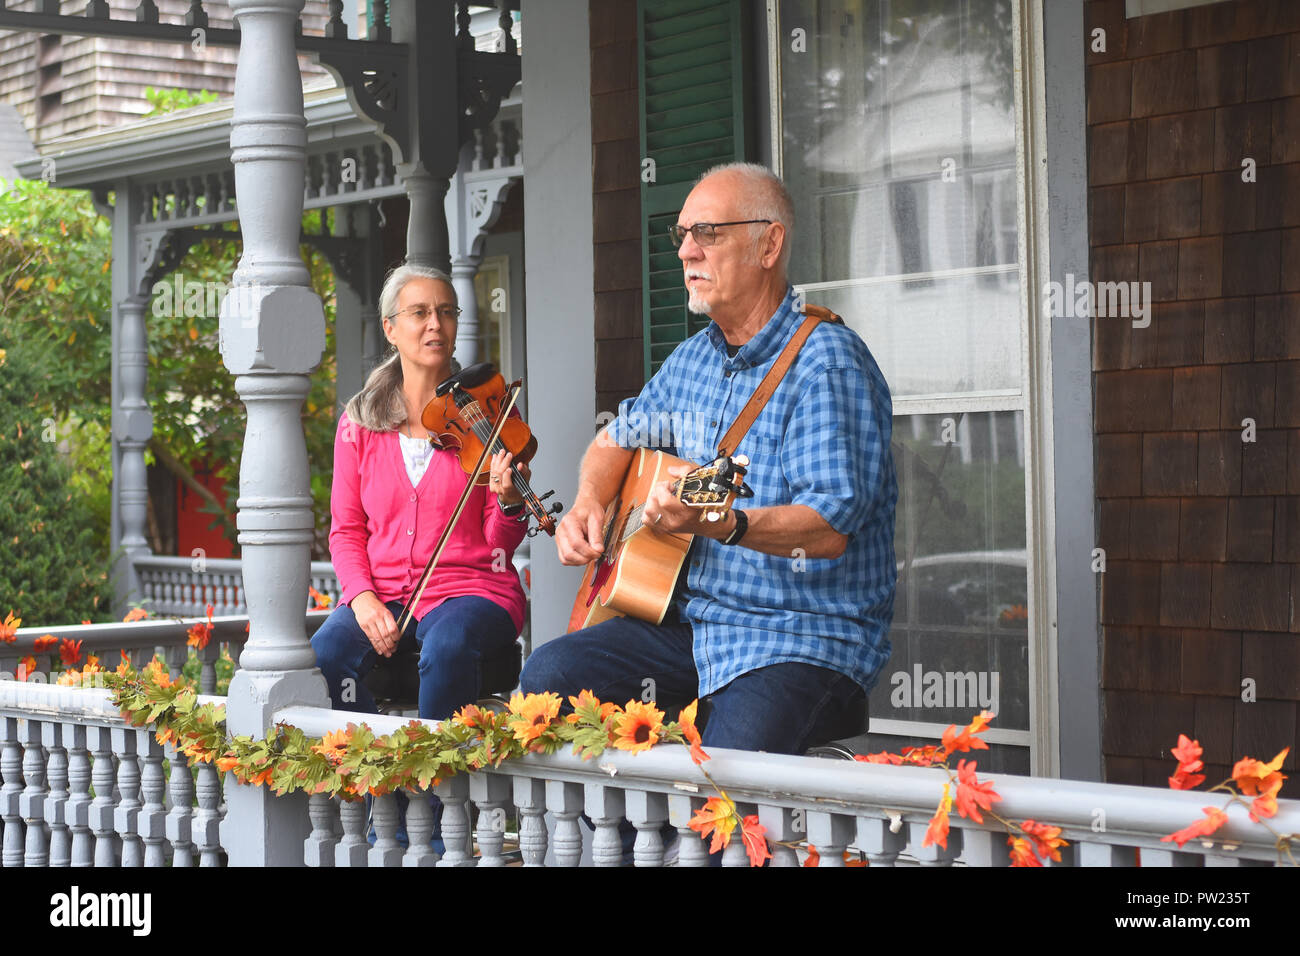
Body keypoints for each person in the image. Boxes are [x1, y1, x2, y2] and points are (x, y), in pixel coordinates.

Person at [520, 162, 898, 756]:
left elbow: (829, 528)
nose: (686, 252)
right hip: (693, 630)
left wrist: (725, 522)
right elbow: (614, 439)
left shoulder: (828, 364)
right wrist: (589, 503)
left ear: (768, 244)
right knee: (549, 682)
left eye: (708, 234)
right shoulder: (692, 359)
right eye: (682, 235)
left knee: (723, 778)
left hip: (799, 640)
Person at [311, 263, 529, 723]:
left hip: (474, 589)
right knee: (323, 655)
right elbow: (347, 531)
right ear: (391, 328)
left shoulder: (487, 417)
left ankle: (437, 791)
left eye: (446, 312)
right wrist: (363, 597)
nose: (436, 324)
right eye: (420, 313)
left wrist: (510, 503)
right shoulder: (359, 424)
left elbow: (499, 545)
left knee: (448, 647)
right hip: (384, 591)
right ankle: (378, 776)